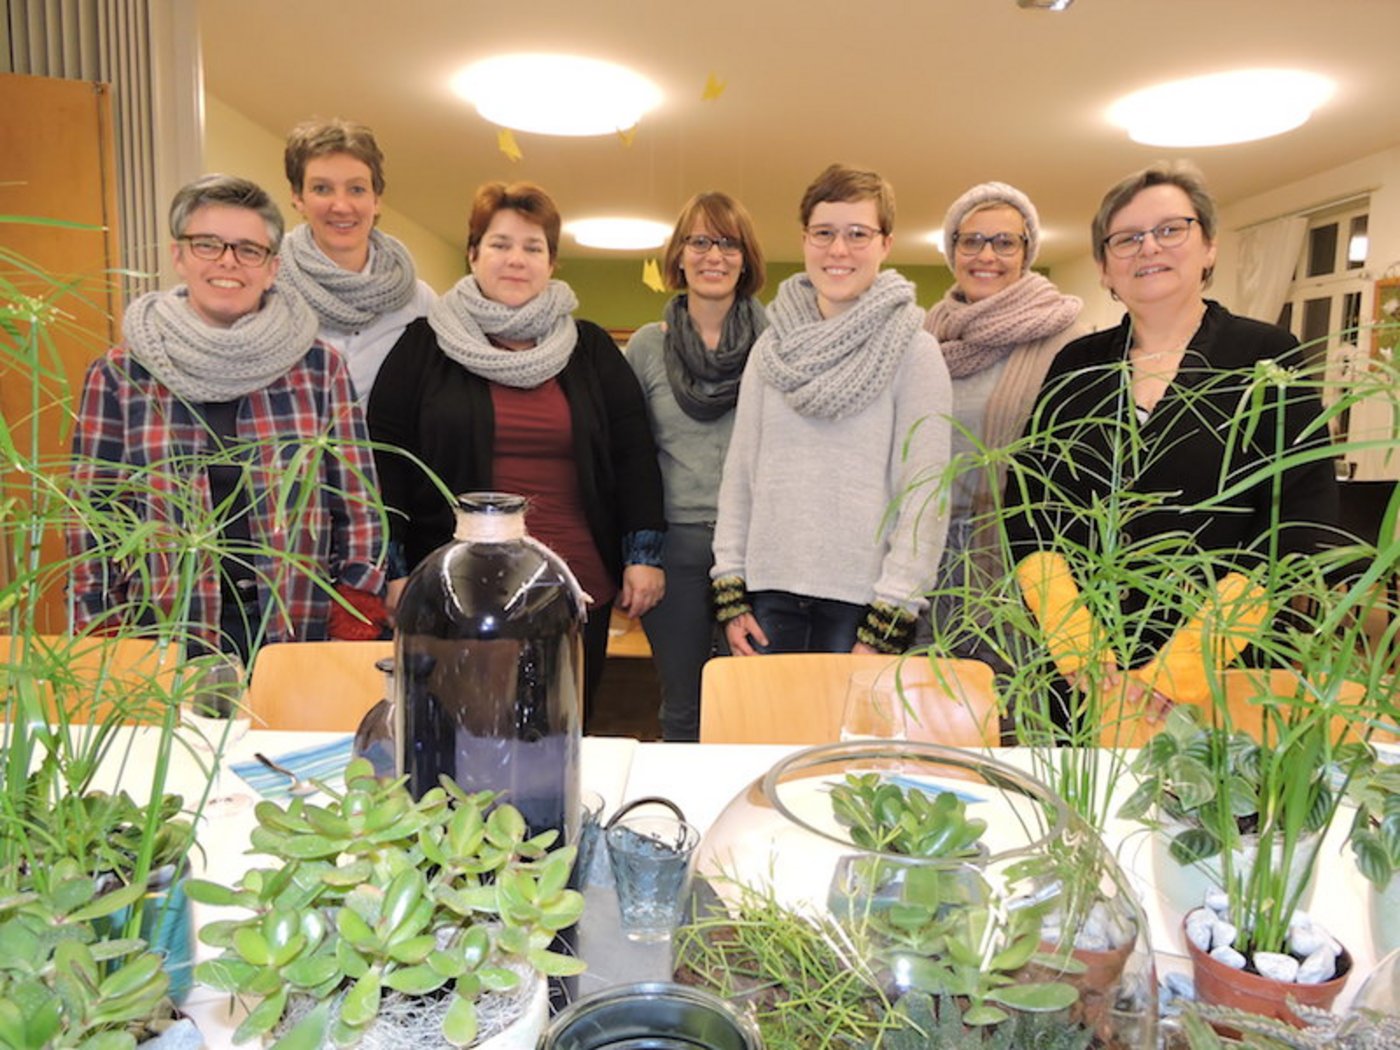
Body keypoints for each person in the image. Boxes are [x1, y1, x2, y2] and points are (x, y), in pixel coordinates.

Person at [1005, 161, 1337, 714]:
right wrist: (1079, 649)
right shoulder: (1076, 364)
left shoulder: (1265, 356)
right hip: (1083, 671)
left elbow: (1297, 516)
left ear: (1208, 246)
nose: (1148, 249)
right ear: (1104, 267)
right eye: (1127, 238)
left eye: (1170, 229)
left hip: (1218, 664)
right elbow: (1030, 504)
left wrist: (1184, 664)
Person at [368, 181, 665, 724]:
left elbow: (633, 453)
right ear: (474, 252)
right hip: (454, 589)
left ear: (552, 263)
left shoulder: (590, 348)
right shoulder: (422, 345)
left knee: (565, 731)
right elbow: (385, 459)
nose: (516, 260)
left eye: (533, 248)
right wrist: (396, 567)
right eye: (501, 244)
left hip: (574, 588)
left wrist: (642, 555)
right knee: (462, 733)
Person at [68, 174, 388, 661]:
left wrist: (356, 606)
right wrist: (99, 628)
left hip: (296, 631)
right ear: (179, 256)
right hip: (162, 636)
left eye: (248, 250)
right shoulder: (120, 374)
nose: (227, 262)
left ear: (272, 267)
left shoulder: (317, 368)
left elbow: (357, 502)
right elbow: (92, 518)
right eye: (208, 245)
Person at [711, 164, 952, 656]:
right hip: (767, 595)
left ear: (885, 243)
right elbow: (740, 476)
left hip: (863, 607)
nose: (838, 250)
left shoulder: (915, 350)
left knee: (850, 737)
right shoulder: (770, 349)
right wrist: (731, 589)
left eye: (857, 234)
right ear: (804, 240)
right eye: (824, 233)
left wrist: (893, 612)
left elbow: (926, 493)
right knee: (763, 734)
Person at [626, 192, 767, 740]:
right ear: (679, 256)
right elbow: (630, 458)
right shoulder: (643, 347)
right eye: (700, 240)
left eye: (728, 242)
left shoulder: (777, 343)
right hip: (676, 551)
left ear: (746, 256)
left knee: (756, 701)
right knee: (683, 707)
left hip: (760, 552)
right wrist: (636, 554)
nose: (714, 255)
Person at [922, 182, 1083, 659]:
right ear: (952, 250)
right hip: (926, 553)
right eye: (970, 240)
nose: (985, 255)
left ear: (1026, 251)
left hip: (1016, 557)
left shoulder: (1064, 337)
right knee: (928, 705)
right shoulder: (926, 336)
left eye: (1004, 241)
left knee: (1007, 711)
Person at [276, 118, 435, 404]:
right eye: (322, 189)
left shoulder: (419, 302)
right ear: (298, 198)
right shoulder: (267, 285)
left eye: (357, 189)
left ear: (377, 200)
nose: (341, 206)